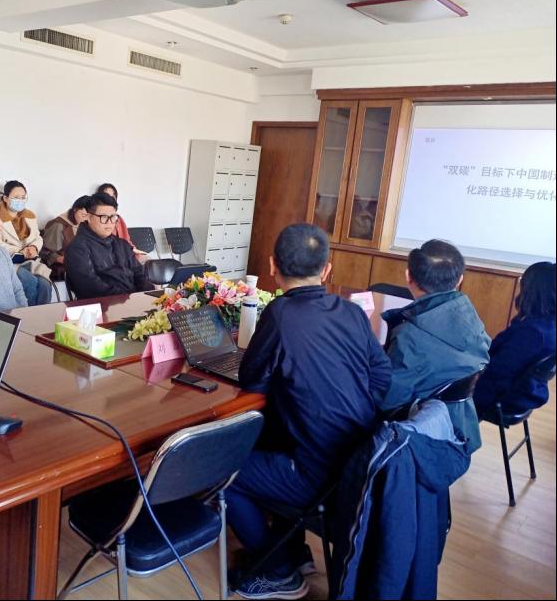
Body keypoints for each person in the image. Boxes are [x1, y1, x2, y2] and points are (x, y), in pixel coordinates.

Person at [226, 223, 392, 600]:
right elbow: (382, 375)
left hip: (318, 472)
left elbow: (251, 379)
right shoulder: (351, 312)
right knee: (276, 439)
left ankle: (277, 569)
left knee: (225, 471)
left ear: (272, 265)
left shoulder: (280, 313)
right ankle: (293, 550)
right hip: (358, 462)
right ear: (327, 269)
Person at [378, 239, 490, 453]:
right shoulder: (470, 315)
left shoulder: (411, 335)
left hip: (415, 430)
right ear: (460, 279)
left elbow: (388, 400)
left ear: (408, 276)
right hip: (460, 423)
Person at [473, 261, 556, 418]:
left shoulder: (532, 333)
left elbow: (498, 373)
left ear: (532, 290)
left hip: (503, 398)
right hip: (526, 392)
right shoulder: (546, 324)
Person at [64, 192, 154, 299]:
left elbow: (139, 274)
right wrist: (126, 298)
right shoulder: (77, 248)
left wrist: (148, 295)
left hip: (131, 301)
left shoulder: (122, 244)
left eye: (113, 217)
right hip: (102, 305)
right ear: (88, 217)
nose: (109, 222)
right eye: (104, 217)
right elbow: (89, 287)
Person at [0, 180, 52, 306]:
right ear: (5, 198)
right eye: (16, 197)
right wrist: (20, 251)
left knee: (45, 284)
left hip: (31, 261)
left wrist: (33, 247)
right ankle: (27, 316)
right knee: (29, 282)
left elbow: (38, 237)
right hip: (11, 263)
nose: (20, 201)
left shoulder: (29, 215)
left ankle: (43, 315)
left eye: (23, 197)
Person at [40, 195, 90, 280]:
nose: (85, 219)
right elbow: (45, 252)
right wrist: (63, 259)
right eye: (83, 215)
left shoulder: (83, 225)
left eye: (88, 217)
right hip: (59, 268)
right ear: (75, 210)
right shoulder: (58, 225)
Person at [95, 183, 145, 260]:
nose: (110, 199)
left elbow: (127, 240)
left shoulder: (119, 218)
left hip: (125, 253)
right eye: (107, 196)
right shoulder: (96, 218)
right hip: (109, 256)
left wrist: (133, 249)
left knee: (147, 260)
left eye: (113, 197)